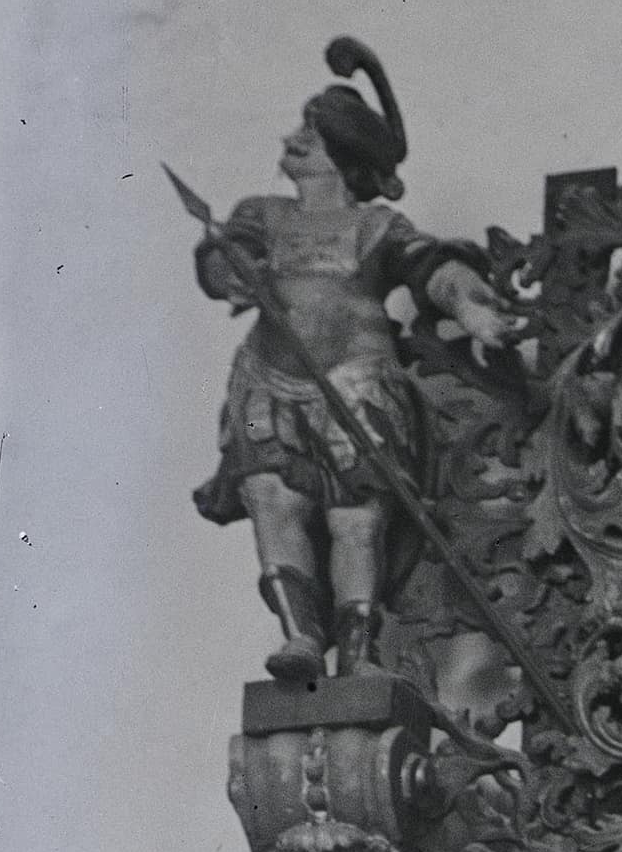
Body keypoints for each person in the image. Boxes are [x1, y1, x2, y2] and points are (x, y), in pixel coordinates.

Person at [188, 36, 508, 672]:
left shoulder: (376, 226)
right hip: (267, 385)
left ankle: (356, 654)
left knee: (355, 522)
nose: (293, 139)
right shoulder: (262, 214)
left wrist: (471, 306)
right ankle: (301, 638)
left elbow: (431, 268)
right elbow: (224, 261)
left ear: (341, 151)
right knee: (271, 499)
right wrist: (228, 270)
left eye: (310, 131)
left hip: (358, 389)